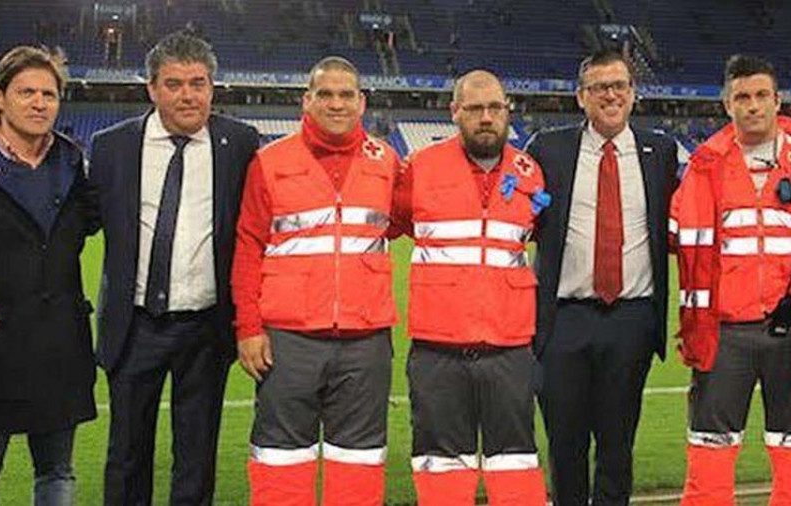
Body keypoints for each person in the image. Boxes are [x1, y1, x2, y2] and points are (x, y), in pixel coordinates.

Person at [88, 31, 259, 505]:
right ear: (152, 88)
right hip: (135, 325)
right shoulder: (112, 146)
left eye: (199, 83)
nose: (188, 95)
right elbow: (81, 222)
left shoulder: (239, 142)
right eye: (175, 83)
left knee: (197, 454)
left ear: (213, 87)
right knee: (126, 453)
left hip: (206, 327)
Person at [671, 54, 791, 506]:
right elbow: (681, 243)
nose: (753, 106)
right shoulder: (705, 164)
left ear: (778, 100)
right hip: (724, 333)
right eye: (742, 97)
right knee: (709, 453)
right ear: (727, 104)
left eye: (761, 95)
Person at [232, 56, 399, 506]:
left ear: (362, 103)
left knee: (360, 461)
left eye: (346, 94)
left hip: (366, 341)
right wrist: (248, 328)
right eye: (325, 94)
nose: (336, 103)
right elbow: (248, 246)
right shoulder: (269, 161)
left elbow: (409, 220)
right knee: (281, 458)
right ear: (306, 101)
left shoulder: (387, 160)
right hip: (289, 339)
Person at [0, 45, 97, 504]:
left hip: (59, 345)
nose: (39, 103)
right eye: (26, 92)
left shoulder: (70, 160)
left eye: (48, 94)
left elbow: (87, 225)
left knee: (57, 473)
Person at [525, 50, 679, 506]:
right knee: (565, 442)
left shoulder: (661, 151)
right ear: (581, 97)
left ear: (632, 94)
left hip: (631, 317)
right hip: (564, 319)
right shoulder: (548, 149)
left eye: (619, 86)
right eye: (598, 87)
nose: (610, 95)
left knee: (617, 443)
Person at [392, 70, 549, 505]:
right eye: (475, 108)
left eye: (495, 108)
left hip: (509, 350)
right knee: (440, 468)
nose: (486, 117)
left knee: (514, 465)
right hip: (437, 352)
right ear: (455, 112)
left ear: (507, 111)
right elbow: (397, 223)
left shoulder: (529, 171)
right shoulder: (420, 167)